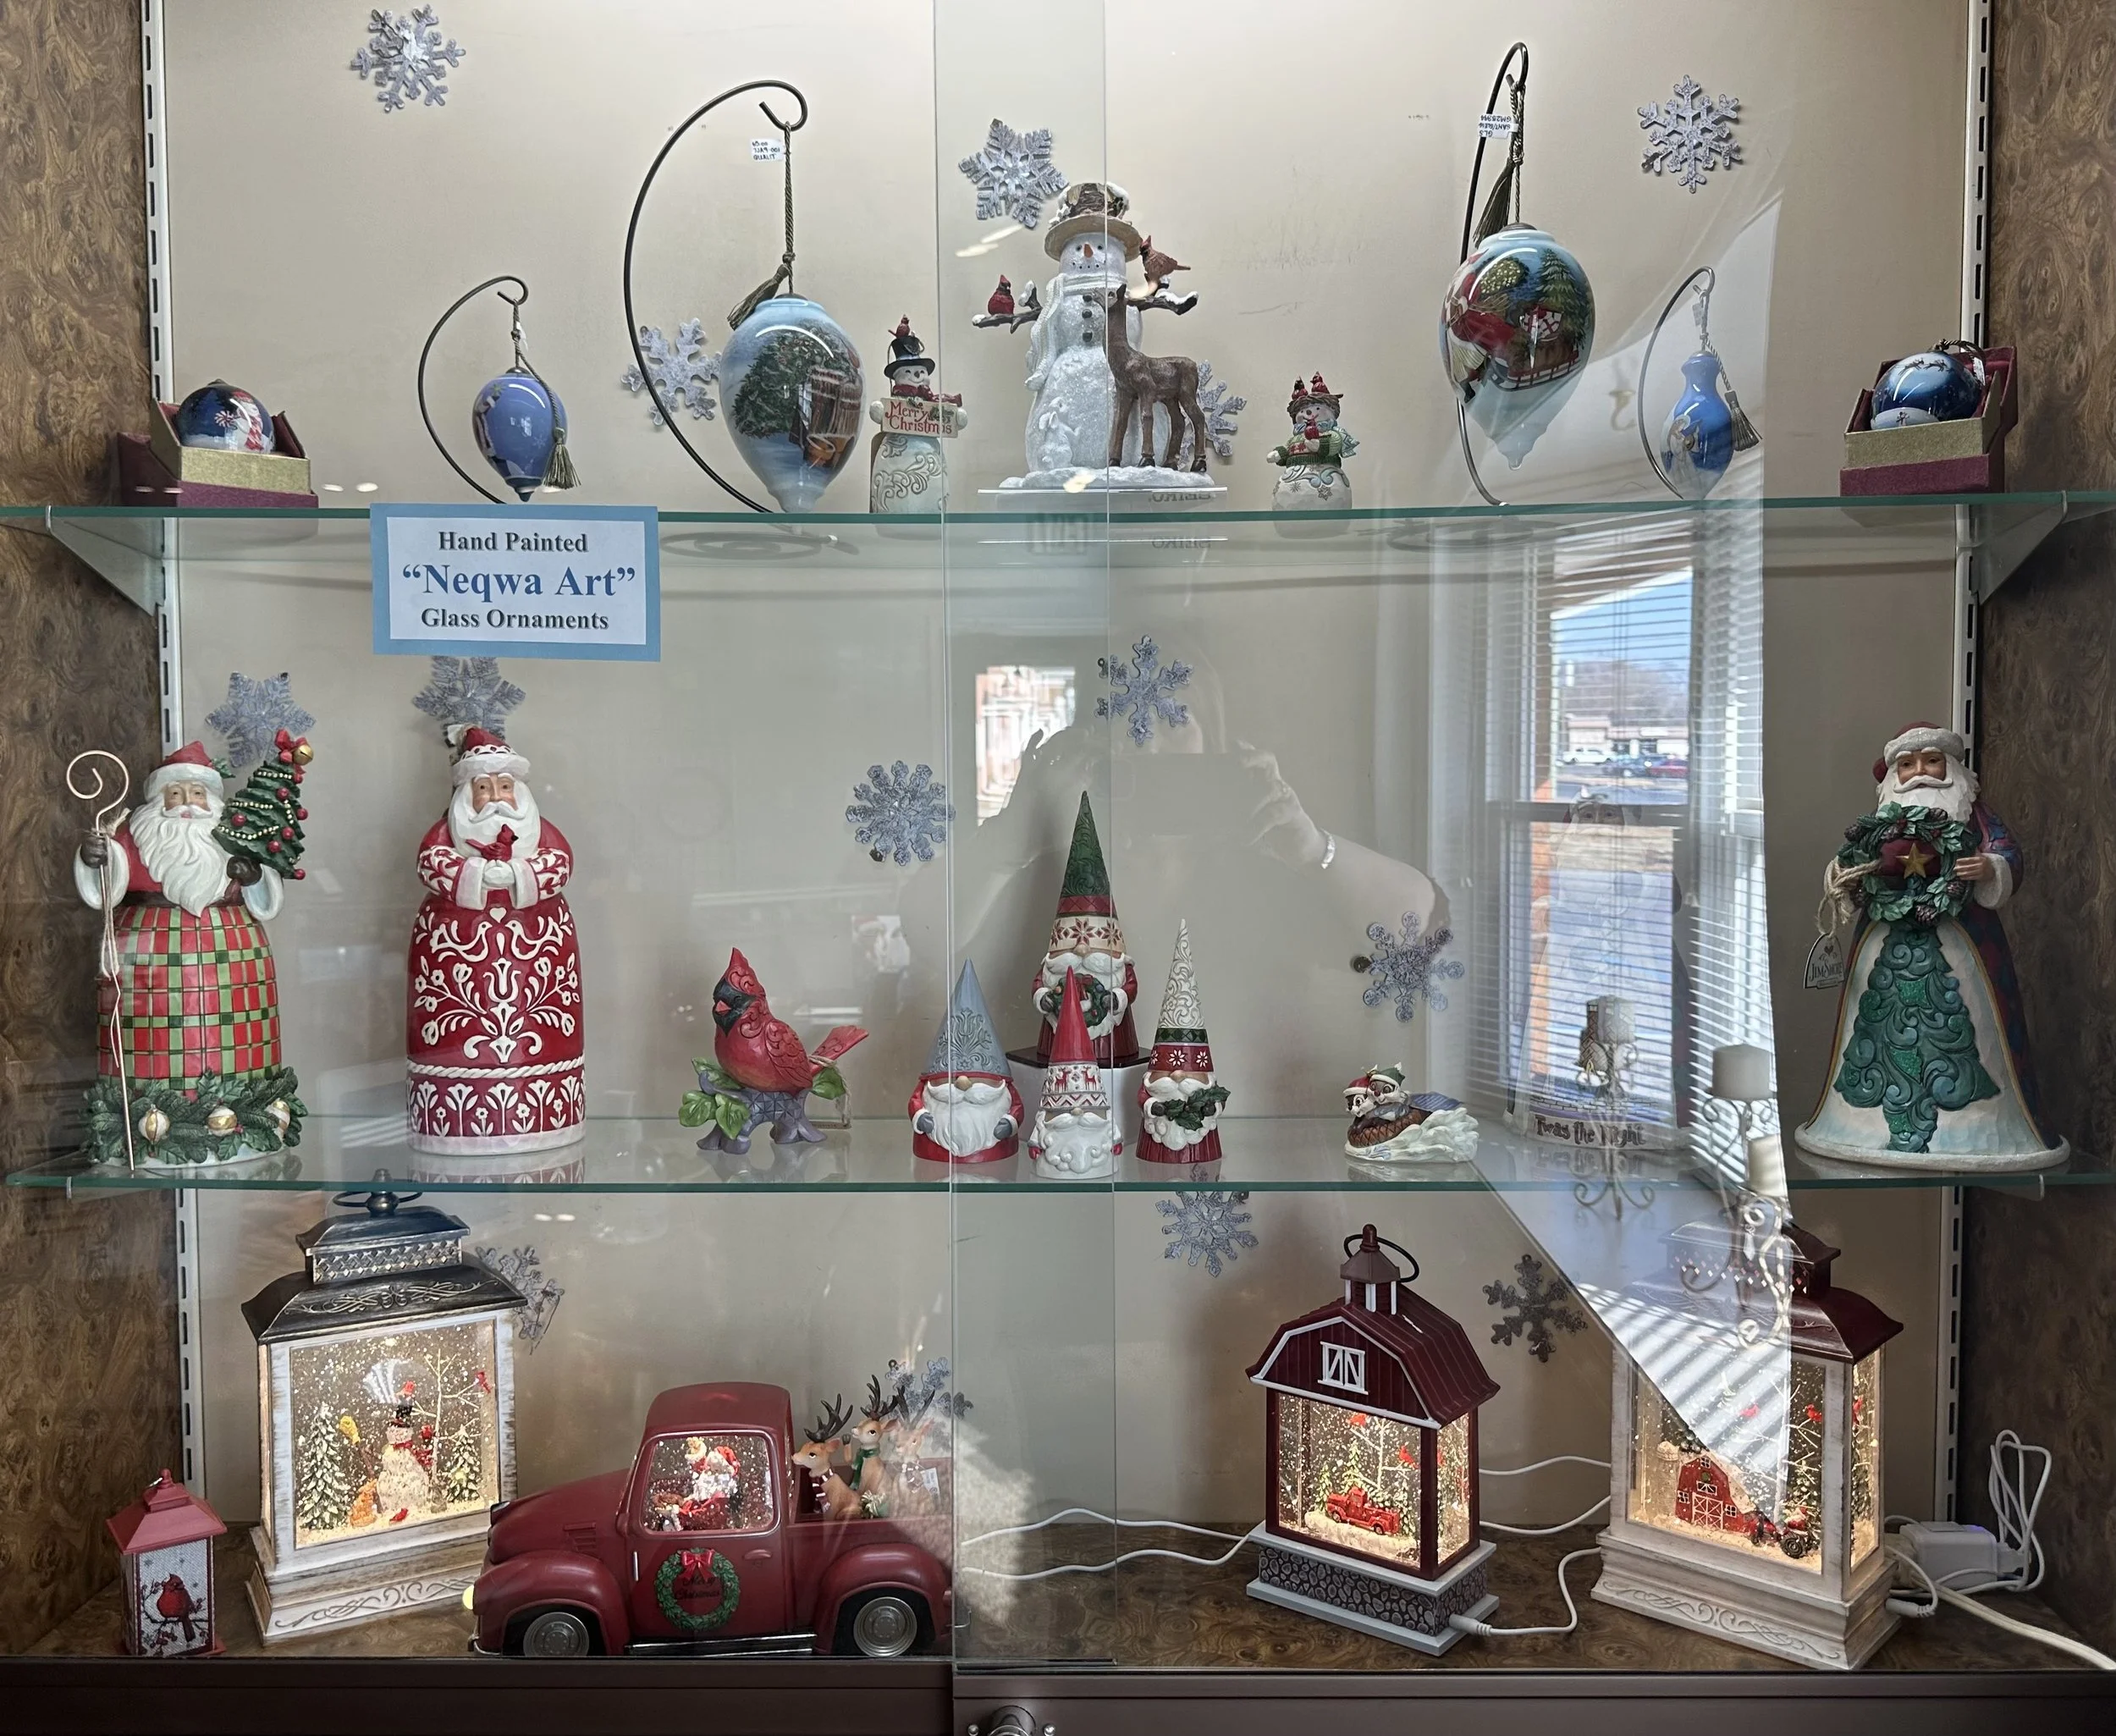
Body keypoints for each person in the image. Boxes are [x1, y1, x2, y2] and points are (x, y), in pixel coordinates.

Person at [1794, 722, 2064, 1167]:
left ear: (1952, 767)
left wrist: (1990, 867)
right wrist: (1846, 876)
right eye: (1908, 764)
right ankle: (1861, 1121)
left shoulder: (1973, 815)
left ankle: (1980, 1124)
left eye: (1932, 761)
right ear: (1893, 777)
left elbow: (2006, 851)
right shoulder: (1881, 825)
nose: (1921, 772)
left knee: (1978, 1020)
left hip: (1964, 939)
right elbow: (1858, 861)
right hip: (1884, 939)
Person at [406, 725, 585, 1153]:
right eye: (484, 788)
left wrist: (519, 873)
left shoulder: (541, 834)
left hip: (538, 950)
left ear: (519, 792)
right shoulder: (446, 835)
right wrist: (476, 874)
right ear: (467, 795)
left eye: (505, 787)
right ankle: (453, 1122)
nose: (496, 798)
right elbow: (430, 863)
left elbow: (560, 863)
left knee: (541, 1027)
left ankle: (545, 1116)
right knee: (452, 1027)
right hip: (456, 954)